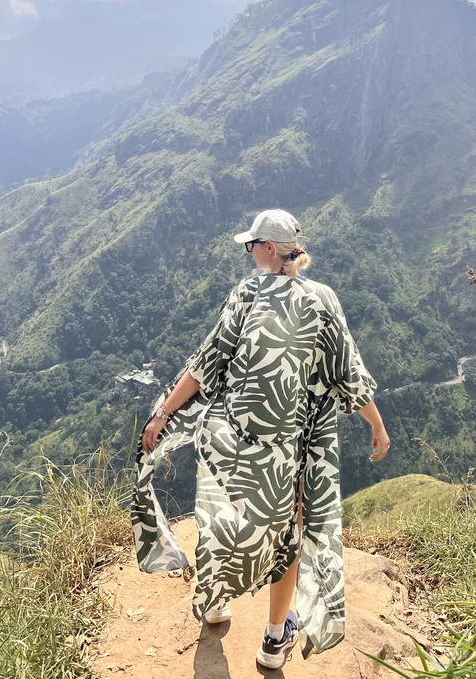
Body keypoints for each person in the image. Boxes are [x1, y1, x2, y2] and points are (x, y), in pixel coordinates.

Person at [132, 209, 390, 669]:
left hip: (228, 438)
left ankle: (214, 603)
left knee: (221, 515)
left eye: (252, 245)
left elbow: (206, 362)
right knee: (287, 535)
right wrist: (376, 423)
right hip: (282, 451)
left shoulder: (247, 293)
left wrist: (162, 413)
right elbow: (347, 374)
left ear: (269, 248)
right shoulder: (323, 300)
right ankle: (274, 640)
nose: (248, 252)